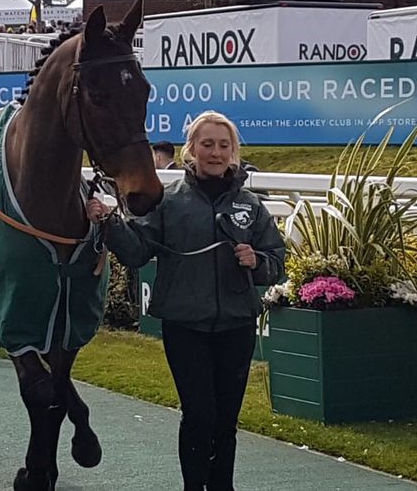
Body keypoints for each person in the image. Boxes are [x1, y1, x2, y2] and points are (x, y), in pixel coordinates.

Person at [87, 111, 285, 490]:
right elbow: (137, 252)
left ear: (234, 152)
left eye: (223, 145)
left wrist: (257, 261)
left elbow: (276, 262)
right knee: (199, 415)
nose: (215, 152)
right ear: (191, 150)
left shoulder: (251, 205)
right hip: (185, 326)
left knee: (226, 420)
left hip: (237, 326)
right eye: (207, 144)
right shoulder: (169, 201)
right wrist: (108, 224)